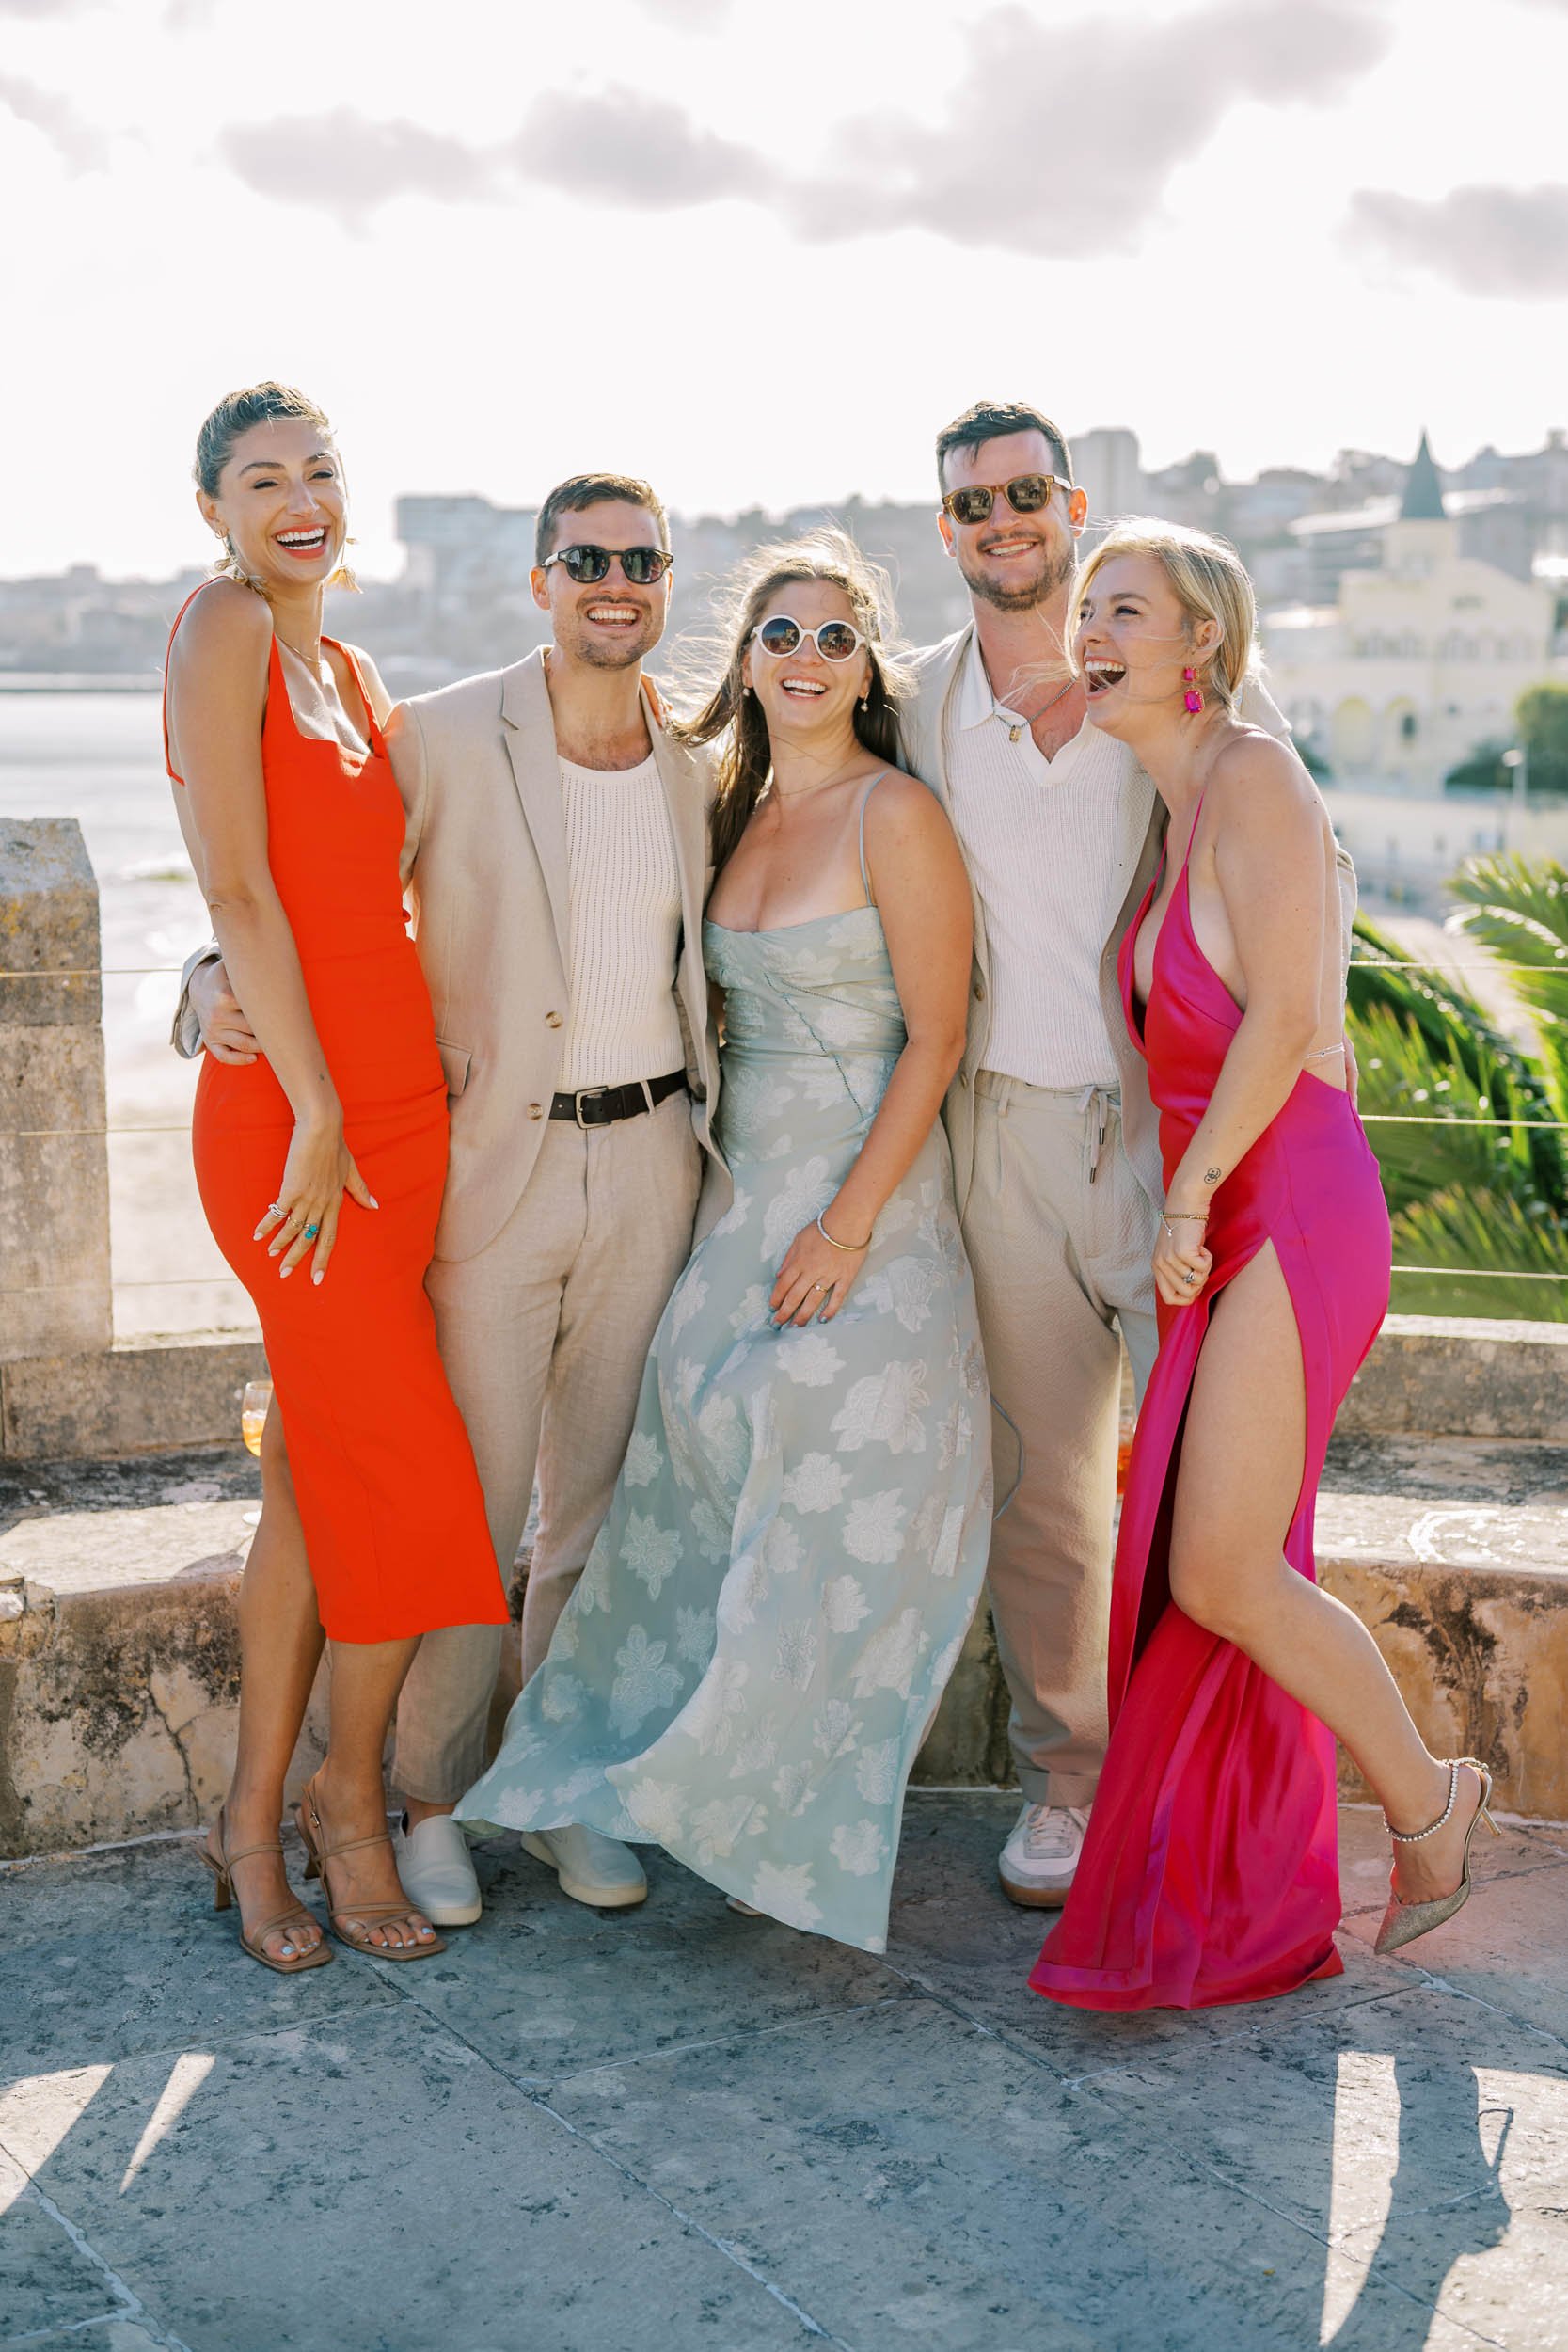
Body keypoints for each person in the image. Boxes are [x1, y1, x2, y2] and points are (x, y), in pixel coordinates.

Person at [179, 471, 721, 1930]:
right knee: (460, 1504)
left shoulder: (700, 758)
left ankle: (557, 1787)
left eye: (642, 559)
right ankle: (421, 1798)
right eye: (585, 558)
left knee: (593, 1507)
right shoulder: (444, 731)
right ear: (540, 577)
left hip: (656, 1155)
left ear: (667, 581)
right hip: (483, 1158)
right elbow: (304, 872)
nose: (616, 580)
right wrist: (203, 981)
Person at [458, 532, 992, 1955]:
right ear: (745, 659)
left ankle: (771, 1810)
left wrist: (848, 1224)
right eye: (780, 634)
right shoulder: (724, 806)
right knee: (672, 1479)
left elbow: (936, 1037)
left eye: (834, 637)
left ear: (870, 664)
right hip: (725, 1200)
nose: (806, 659)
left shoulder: (899, 816)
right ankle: (603, 1779)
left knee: (816, 1462)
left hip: (864, 1203)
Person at [1030, 521, 1495, 2010]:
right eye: (1084, 610)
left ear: (1201, 647)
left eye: (1121, 609)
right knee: (1216, 1563)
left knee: (1222, 1563)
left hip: (1283, 1201)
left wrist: (1190, 1206)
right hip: (1230, 1208)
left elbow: (1292, 1017)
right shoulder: (1174, 810)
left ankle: (1432, 1808)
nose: (1088, 630)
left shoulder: (1256, 779)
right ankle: (1259, 1866)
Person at [898, 400, 1356, 1910]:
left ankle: (1209, 1798)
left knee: (1205, 1502)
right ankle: (1072, 1780)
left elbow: (1288, 931)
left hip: (1179, 1147)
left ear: (1072, 502)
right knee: (1048, 1489)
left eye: (1029, 494)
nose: (1005, 523)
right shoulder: (916, 705)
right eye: (974, 505)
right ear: (948, 529)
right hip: (1010, 1136)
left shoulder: (1167, 696)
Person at [165, 382, 508, 1972]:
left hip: (401, 1117)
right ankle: (344, 1801)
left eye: (317, 471)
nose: (297, 498)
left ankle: (251, 1818)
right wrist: (305, 1100)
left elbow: (360, 903)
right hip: (297, 1131)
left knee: (317, 1476)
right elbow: (236, 879)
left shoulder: (356, 667)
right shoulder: (222, 627)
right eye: (260, 479)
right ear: (216, 513)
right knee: (405, 1475)